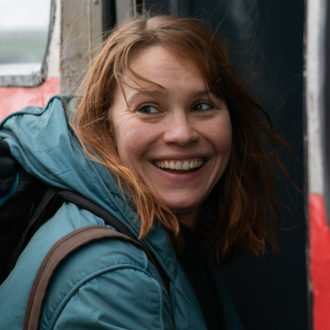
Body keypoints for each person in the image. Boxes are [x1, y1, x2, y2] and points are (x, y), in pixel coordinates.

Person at [0, 15, 284, 329]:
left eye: (202, 105)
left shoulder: (164, 236)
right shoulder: (116, 282)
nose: (181, 133)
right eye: (148, 108)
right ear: (105, 127)